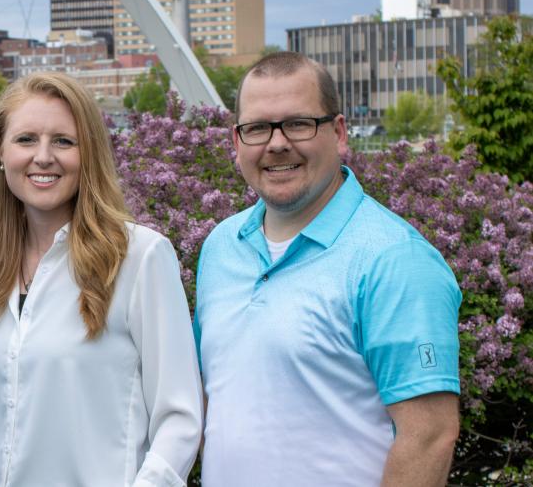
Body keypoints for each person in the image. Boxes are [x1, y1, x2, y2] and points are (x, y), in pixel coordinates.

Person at [194, 51, 461, 486]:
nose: (277, 144)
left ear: (338, 133)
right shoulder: (221, 247)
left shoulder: (395, 260)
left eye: (298, 123)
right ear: (237, 141)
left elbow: (429, 435)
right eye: (258, 127)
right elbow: (215, 399)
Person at [0, 72, 203, 486]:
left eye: (64, 141)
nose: (43, 156)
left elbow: (179, 417)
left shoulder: (140, 258)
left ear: (89, 154)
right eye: (26, 139)